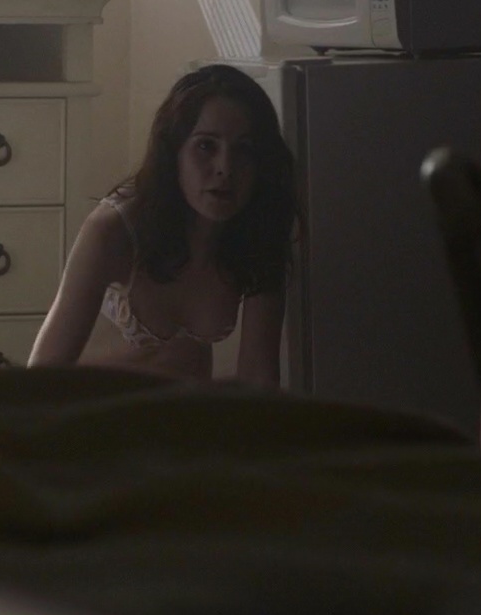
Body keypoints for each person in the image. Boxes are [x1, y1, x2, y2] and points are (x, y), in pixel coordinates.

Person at [28, 64, 296, 386]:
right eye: (206, 146)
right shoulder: (114, 230)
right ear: (174, 152)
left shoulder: (260, 229)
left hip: (182, 412)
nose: (225, 167)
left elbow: (259, 379)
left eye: (244, 149)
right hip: (96, 409)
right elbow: (43, 376)